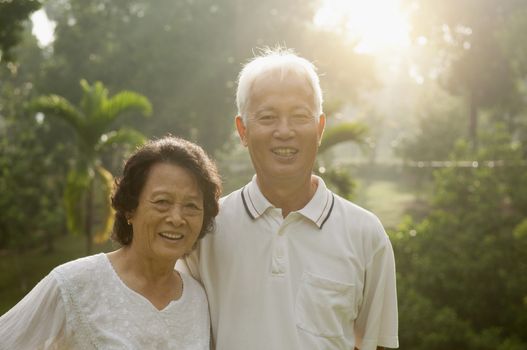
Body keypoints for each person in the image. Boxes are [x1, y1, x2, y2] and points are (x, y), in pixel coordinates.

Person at [182, 48, 399, 350]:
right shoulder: (205, 230)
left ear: (320, 128)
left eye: (299, 116)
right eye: (268, 117)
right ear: (243, 130)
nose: (284, 131)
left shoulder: (365, 234)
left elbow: (375, 344)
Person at [0, 136, 222, 349]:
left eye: (191, 206)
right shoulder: (74, 285)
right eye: (162, 202)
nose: (176, 218)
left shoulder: (197, 299)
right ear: (129, 208)